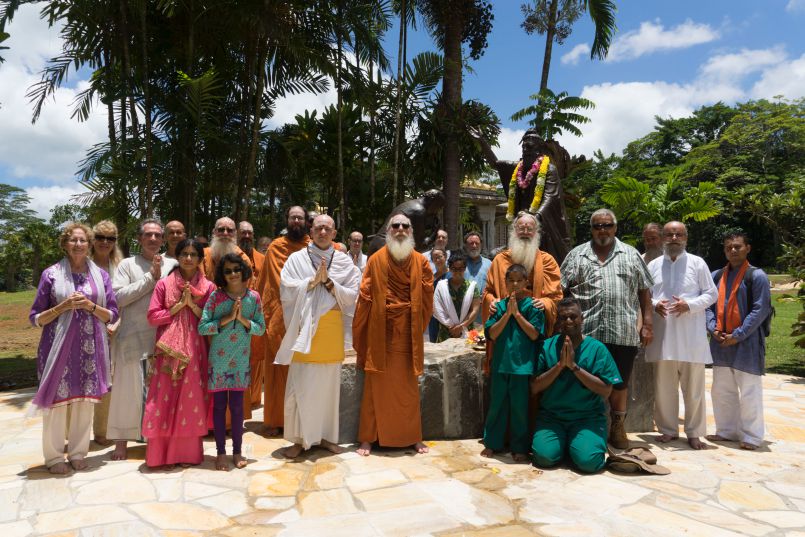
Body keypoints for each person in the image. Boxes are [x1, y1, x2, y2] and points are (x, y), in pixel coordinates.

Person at [559, 209, 654, 449]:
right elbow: (562, 291)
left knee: (619, 383)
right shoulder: (577, 255)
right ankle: (585, 427)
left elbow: (644, 291)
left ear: (615, 227)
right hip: (586, 334)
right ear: (591, 229)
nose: (603, 230)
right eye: (598, 226)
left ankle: (618, 428)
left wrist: (648, 326)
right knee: (583, 380)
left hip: (621, 331)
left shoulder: (631, 255)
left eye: (607, 225)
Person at [29, 222, 118, 473]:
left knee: (85, 401)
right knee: (56, 403)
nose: (78, 244)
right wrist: (62, 307)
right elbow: (36, 317)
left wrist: (89, 306)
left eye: (83, 240)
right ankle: (55, 457)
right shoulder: (52, 274)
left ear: (89, 245)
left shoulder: (100, 277)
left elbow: (111, 314)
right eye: (73, 240)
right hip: (57, 349)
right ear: (65, 244)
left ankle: (78, 453)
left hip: (90, 348)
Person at [275, 215, 361, 458]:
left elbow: (353, 294)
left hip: (331, 329)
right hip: (305, 330)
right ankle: (298, 439)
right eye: (318, 228)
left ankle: (324, 437)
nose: (323, 231)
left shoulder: (344, 262)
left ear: (334, 234)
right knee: (300, 385)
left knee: (328, 388)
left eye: (328, 228)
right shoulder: (296, 259)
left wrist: (330, 283)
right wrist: (312, 282)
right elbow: (286, 289)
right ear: (310, 231)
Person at [354, 214, 434, 456]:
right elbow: (365, 294)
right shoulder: (376, 260)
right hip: (381, 332)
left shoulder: (421, 262)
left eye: (405, 226)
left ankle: (412, 437)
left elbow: (427, 295)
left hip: (408, 334)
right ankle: (368, 438)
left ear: (411, 232)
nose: (400, 229)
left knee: (408, 387)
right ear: (388, 231)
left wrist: (415, 318)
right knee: (374, 386)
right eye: (395, 226)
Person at [142, 239, 215, 469]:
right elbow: (153, 317)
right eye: (184, 253)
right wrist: (177, 307)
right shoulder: (164, 284)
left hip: (196, 349)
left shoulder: (208, 287)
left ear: (200, 259)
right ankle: (161, 455)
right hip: (168, 351)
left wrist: (192, 306)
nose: (189, 258)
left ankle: (187, 453)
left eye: (194, 254)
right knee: (165, 396)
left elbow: (211, 320)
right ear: (178, 256)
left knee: (191, 398)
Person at [108, 219, 177, 460]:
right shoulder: (128, 264)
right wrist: (151, 278)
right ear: (139, 239)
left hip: (164, 337)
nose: (153, 239)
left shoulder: (174, 264)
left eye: (158, 235)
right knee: (127, 391)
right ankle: (121, 441)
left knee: (160, 391)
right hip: (132, 335)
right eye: (148, 235)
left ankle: (156, 439)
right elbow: (118, 297)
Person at [645, 221, 718, 450]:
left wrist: (690, 305)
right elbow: (645, 293)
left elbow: (711, 294)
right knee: (664, 387)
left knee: (694, 389)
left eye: (679, 234)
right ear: (662, 238)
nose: (674, 238)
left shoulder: (697, 263)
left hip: (690, 337)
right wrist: (655, 303)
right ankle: (668, 430)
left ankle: (694, 432)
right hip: (663, 336)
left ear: (686, 237)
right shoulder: (654, 264)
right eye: (669, 234)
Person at [531, 297, 623, 473]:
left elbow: (606, 390)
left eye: (573, 317)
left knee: (589, 463)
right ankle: (566, 445)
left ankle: (577, 445)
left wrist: (574, 367)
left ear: (582, 318)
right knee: (544, 458)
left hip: (587, 418)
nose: (568, 321)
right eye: (563, 317)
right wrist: (559, 366)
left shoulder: (597, 349)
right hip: (552, 417)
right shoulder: (547, 347)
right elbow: (534, 387)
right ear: (558, 321)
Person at [706, 230, 771, 450]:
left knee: (750, 390)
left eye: (737, 246)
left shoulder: (757, 276)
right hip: (720, 340)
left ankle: (752, 436)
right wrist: (712, 328)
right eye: (728, 247)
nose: (732, 251)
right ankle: (726, 431)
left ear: (747, 248)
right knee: (722, 389)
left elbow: (760, 310)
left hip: (747, 341)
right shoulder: (716, 276)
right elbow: (709, 306)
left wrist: (738, 335)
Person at [199, 253, 265, 470]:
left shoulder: (253, 298)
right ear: (222, 275)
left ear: (243, 271)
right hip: (218, 361)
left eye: (236, 269)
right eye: (227, 271)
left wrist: (242, 320)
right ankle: (220, 453)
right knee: (219, 408)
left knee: (237, 409)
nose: (233, 274)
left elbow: (261, 328)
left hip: (240, 361)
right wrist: (227, 319)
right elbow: (203, 326)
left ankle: (237, 452)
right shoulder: (216, 298)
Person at [474, 128, 572, 264]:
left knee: (543, 261)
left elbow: (550, 197)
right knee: (494, 255)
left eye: (529, 146)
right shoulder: (517, 169)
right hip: (520, 224)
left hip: (540, 225)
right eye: (523, 146)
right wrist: (482, 142)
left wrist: (534, 218)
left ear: (538, 149)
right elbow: (495, 164)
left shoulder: (549, 169)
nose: (525, 150)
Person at [256, 206, 310, 436]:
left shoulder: (312, 247)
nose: (296, 220)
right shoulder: (276, 247)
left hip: (306, 315)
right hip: (279, 317)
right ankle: (276, 420)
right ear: (287, 220)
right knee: (278, 370)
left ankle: (303, 419)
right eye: (292, 217)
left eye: (300, 217)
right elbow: (267, 285)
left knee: (303, 369)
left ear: (306, 221)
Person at [482, 264, 544, 462]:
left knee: (520, 408)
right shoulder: (498, 307)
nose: (515, 284)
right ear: (505, 283)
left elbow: (534, 334)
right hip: (500, 365)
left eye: (519, 280)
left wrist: (517, 314)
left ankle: (520, 447)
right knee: (497, 406)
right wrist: (507, 313)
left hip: (521, 367)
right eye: (511, 281)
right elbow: (492, 333)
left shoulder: (532, 307)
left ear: (526, 282)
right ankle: (492, 443)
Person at [482, 211, 562, 336]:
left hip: (534, 322)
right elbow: (488, 292)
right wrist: (492, 301)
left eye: (529, 229)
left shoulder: (547, 261)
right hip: (504, 321)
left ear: (536, 232)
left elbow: (556, 296)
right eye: (521, 228)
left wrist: (545, 303)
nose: (525, 232)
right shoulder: (500, 260)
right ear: (514, 230)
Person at [89, 219, 123, 447]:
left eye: (110, 238)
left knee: (107, 382)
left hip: (112, 331)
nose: (105, 242)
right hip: (85, 328)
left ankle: (102, 430)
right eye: (100, 237)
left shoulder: (120, 266)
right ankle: (74, 432)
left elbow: (125, 302)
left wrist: (116, 325)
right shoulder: (83, 264)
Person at [238, 220, 267, 411]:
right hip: (235, 315)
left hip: (256, 314)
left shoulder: (262, 258)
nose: (247, 236)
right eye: (243, 233)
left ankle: (255, 399)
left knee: (256, 358)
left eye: (250, 233)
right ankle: (240, 402)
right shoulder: (231, 256)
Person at [366, 189, 446, 256]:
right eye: (439, 207)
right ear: (433, 201)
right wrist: (435, 233)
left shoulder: (410, 204)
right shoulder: (419, 211)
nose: (437, 211)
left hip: (377, 245)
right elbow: (418, 247)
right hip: (386, 249)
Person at [433, 252, 480, 343]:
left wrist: (461, 326)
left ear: (465, 269)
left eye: (460, 269)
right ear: (449, 269)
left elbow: (475, 310)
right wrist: (452, 327)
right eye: (454, 269)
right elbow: (437, 309)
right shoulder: (441, 286)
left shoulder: (472, 287)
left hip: (466, 331)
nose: (457, 272)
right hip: (446, 332)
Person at [202, 217, 253, 285]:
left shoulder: (243, 259)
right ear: (214, 232)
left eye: (229, 230)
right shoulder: (203, 255)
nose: (225, 233)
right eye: (221, 230)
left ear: (235, 233)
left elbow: (247, 289)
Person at [463, 231, 492, 324]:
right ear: (466, 246)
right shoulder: (460, 263)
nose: (474, 246)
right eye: (471, 243)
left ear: (481, 245)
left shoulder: (489, 264)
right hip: (463, 311)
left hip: (483, 312)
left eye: (477, 243)